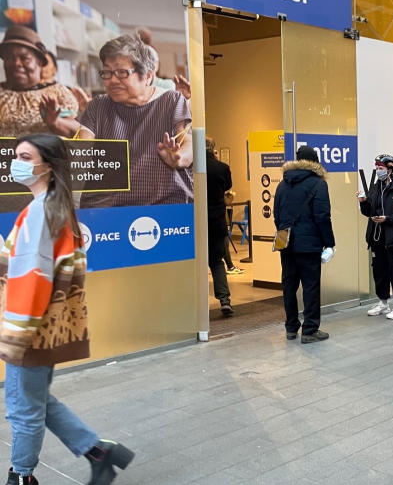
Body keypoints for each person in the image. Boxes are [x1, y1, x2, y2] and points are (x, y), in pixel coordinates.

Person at [0, 134, 135, 485]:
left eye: (25, 156)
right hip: (46, 327)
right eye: (15, 156)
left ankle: (21, 483)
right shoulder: (50, 209)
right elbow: (26, 266)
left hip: (29, 329)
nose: (16, 162)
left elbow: (30, 280)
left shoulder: (41, 213)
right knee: (37, 402)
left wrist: (15, 337)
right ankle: (99, 452)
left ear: (48, 165)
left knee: (23, 409)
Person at [77, 35, 193, 207]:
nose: (112, 80)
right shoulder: (98, 106)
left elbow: (188, 145)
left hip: (162, 207)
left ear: (147, 76)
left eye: (122, 73)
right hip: (107, 209)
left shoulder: (171, 100)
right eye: (107, 72)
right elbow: (82, 150)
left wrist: (178, 158)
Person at [274, 145, 336, 343]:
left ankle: (291, 328)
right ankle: (310, 330)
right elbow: (322, 216)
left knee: (289, 285)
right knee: (310, 286)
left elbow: (277, 215)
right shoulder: (318, 184)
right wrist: (329, 243)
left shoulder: (282, 184)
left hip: (285, 240)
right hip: (308, 243)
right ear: (315, 161)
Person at [0, 26, 83, 137]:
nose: (16, 63)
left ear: (39, 62)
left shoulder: (56, 92)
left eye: (25, 58)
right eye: (10, 57)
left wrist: (56, 123)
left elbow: (78, 131)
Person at [359, 154, 393, 320]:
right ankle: (383, 302)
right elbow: (369, 212)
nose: (378, 171)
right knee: (379, 272)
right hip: (377, 239)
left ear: (390, 170)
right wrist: (363, 202)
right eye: (377, 168)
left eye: (381, 168)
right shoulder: (375, 188)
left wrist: (388, 219)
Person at [206, 139, 233, 317]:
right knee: (217, 261)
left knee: (196, 263)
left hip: (197, 222)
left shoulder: (190, 167)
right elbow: (228, 186)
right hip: (217, 221)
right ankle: (224, 300)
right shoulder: (222, 168)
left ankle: (195, 301)